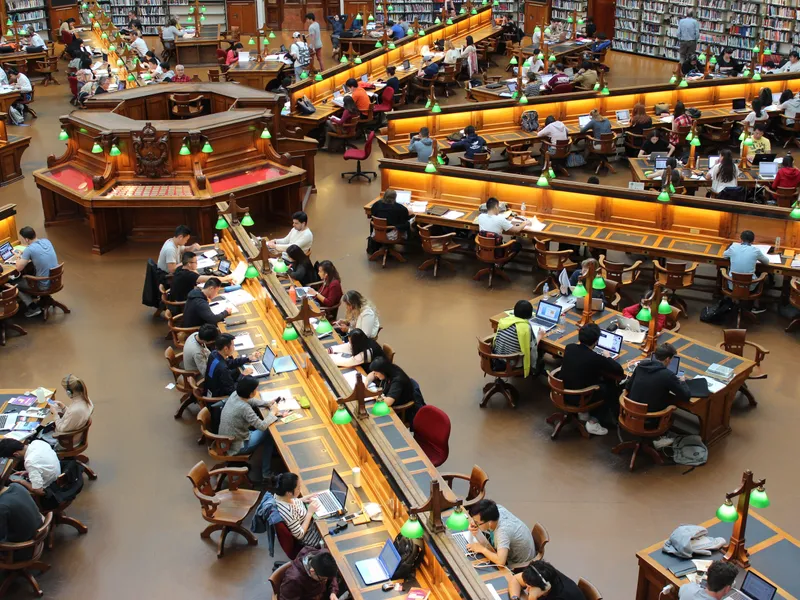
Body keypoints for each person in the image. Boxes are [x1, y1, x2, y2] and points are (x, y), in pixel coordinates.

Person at [560, 323, 624, 434]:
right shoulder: (595, 358)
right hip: (579, 396)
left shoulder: (569, 347)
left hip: (562, 391)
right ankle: (594, 421)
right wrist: (608, 356)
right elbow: (618, 370)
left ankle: (584, 412)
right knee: (612, 387)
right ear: (596, 341)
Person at [219, 376, 278, 481]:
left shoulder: (235, 395)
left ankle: (272, 453)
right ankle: (266, 473)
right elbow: (262, 426)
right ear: (251, 393)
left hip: (226, 440)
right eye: (255, 389)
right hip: (238, 445)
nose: (257, 391)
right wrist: (273, 413)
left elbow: (251, 401)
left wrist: (267, 403)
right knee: (269, 431)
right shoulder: (244, 408)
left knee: (267, 430)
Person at [466, 499, 537, 570]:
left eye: (477, 523)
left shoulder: (502, 532)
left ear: (489, 523)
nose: (476, 524)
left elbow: (501, 562)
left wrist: (481, 549)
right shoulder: (497, 509)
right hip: (511, 551)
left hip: (519, 565)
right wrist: (473, 522)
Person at [626, 343, 690, 415]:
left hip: (630, 413)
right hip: (650, 418)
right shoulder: (668, 375)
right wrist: (682, 382)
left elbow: (628, 386)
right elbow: (685, 396)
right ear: (667, 359)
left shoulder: (641, 366)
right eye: (671, 359)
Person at [12, 226, 58, 317]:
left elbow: (19, 268)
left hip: (43, 284)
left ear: (26, 239)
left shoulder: (29, 249)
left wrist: (18, 257)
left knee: (14, 284)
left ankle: (33, 308)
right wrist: (25, 254)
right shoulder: (46, 241)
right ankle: (37, 299)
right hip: (55, 280)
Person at [270, 472, 323, 547]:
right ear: (289, 493)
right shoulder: (288, 512)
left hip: (313, 524)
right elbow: (299, 534)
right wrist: (309, 513)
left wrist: (302, 499)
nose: (300, 489)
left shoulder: (279, 496)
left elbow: (292, 502)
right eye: (298, 488)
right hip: (313, 539)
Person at [494, 300, 543, 377]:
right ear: (530, 315)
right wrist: (539, 336)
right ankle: (533, 373)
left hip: (497, 358)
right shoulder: (525, 328)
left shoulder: (505, 320)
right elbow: (532, 348)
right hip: (512, 363)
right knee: (540, 353)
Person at [0, 483, 44, 558]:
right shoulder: (16, 486)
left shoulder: (2, 507)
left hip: (21, 548)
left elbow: (1, 541)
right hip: (37, 530)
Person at [723, 229, 769, 295]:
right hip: (750, 287)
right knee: (766, 276)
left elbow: (724, 255)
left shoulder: (733, 248)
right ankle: (756, 303)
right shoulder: (756, 251)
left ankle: (734, 300)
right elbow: (766, 262)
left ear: (740, 239)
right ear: (753, 241)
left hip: (732, 285)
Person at [508, 561, 584, 600]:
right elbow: (516, 579)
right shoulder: (539, 574)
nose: (527, 589)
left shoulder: (560, 597)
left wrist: (532, 597)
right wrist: (515, 598)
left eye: (530, 587)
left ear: (546, 587)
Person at [49, 374, 94, 439]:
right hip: (75, 432)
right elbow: (73, 417)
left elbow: (61, 429)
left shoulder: (75, 410)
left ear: (69, 392)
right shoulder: (85, 399)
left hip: (68, 441)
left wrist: (55, 414)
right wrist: (63, 407)